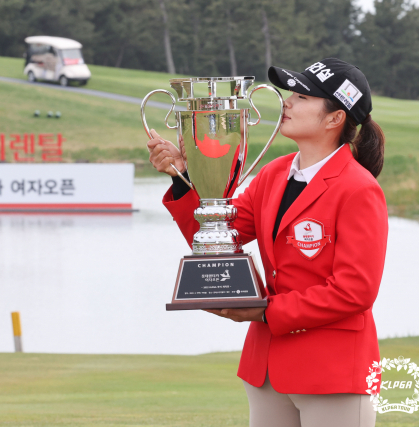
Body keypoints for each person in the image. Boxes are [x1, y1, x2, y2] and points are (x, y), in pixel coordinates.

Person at [147, 58, 387, 427]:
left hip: (332, 371)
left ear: (334, 118)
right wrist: (183, 178)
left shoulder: (359, 189)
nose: (287, 102)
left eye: (302, 96)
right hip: (266, 371)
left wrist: (264, 311)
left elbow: (355, 291)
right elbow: (217, 237)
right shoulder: (274, 173)